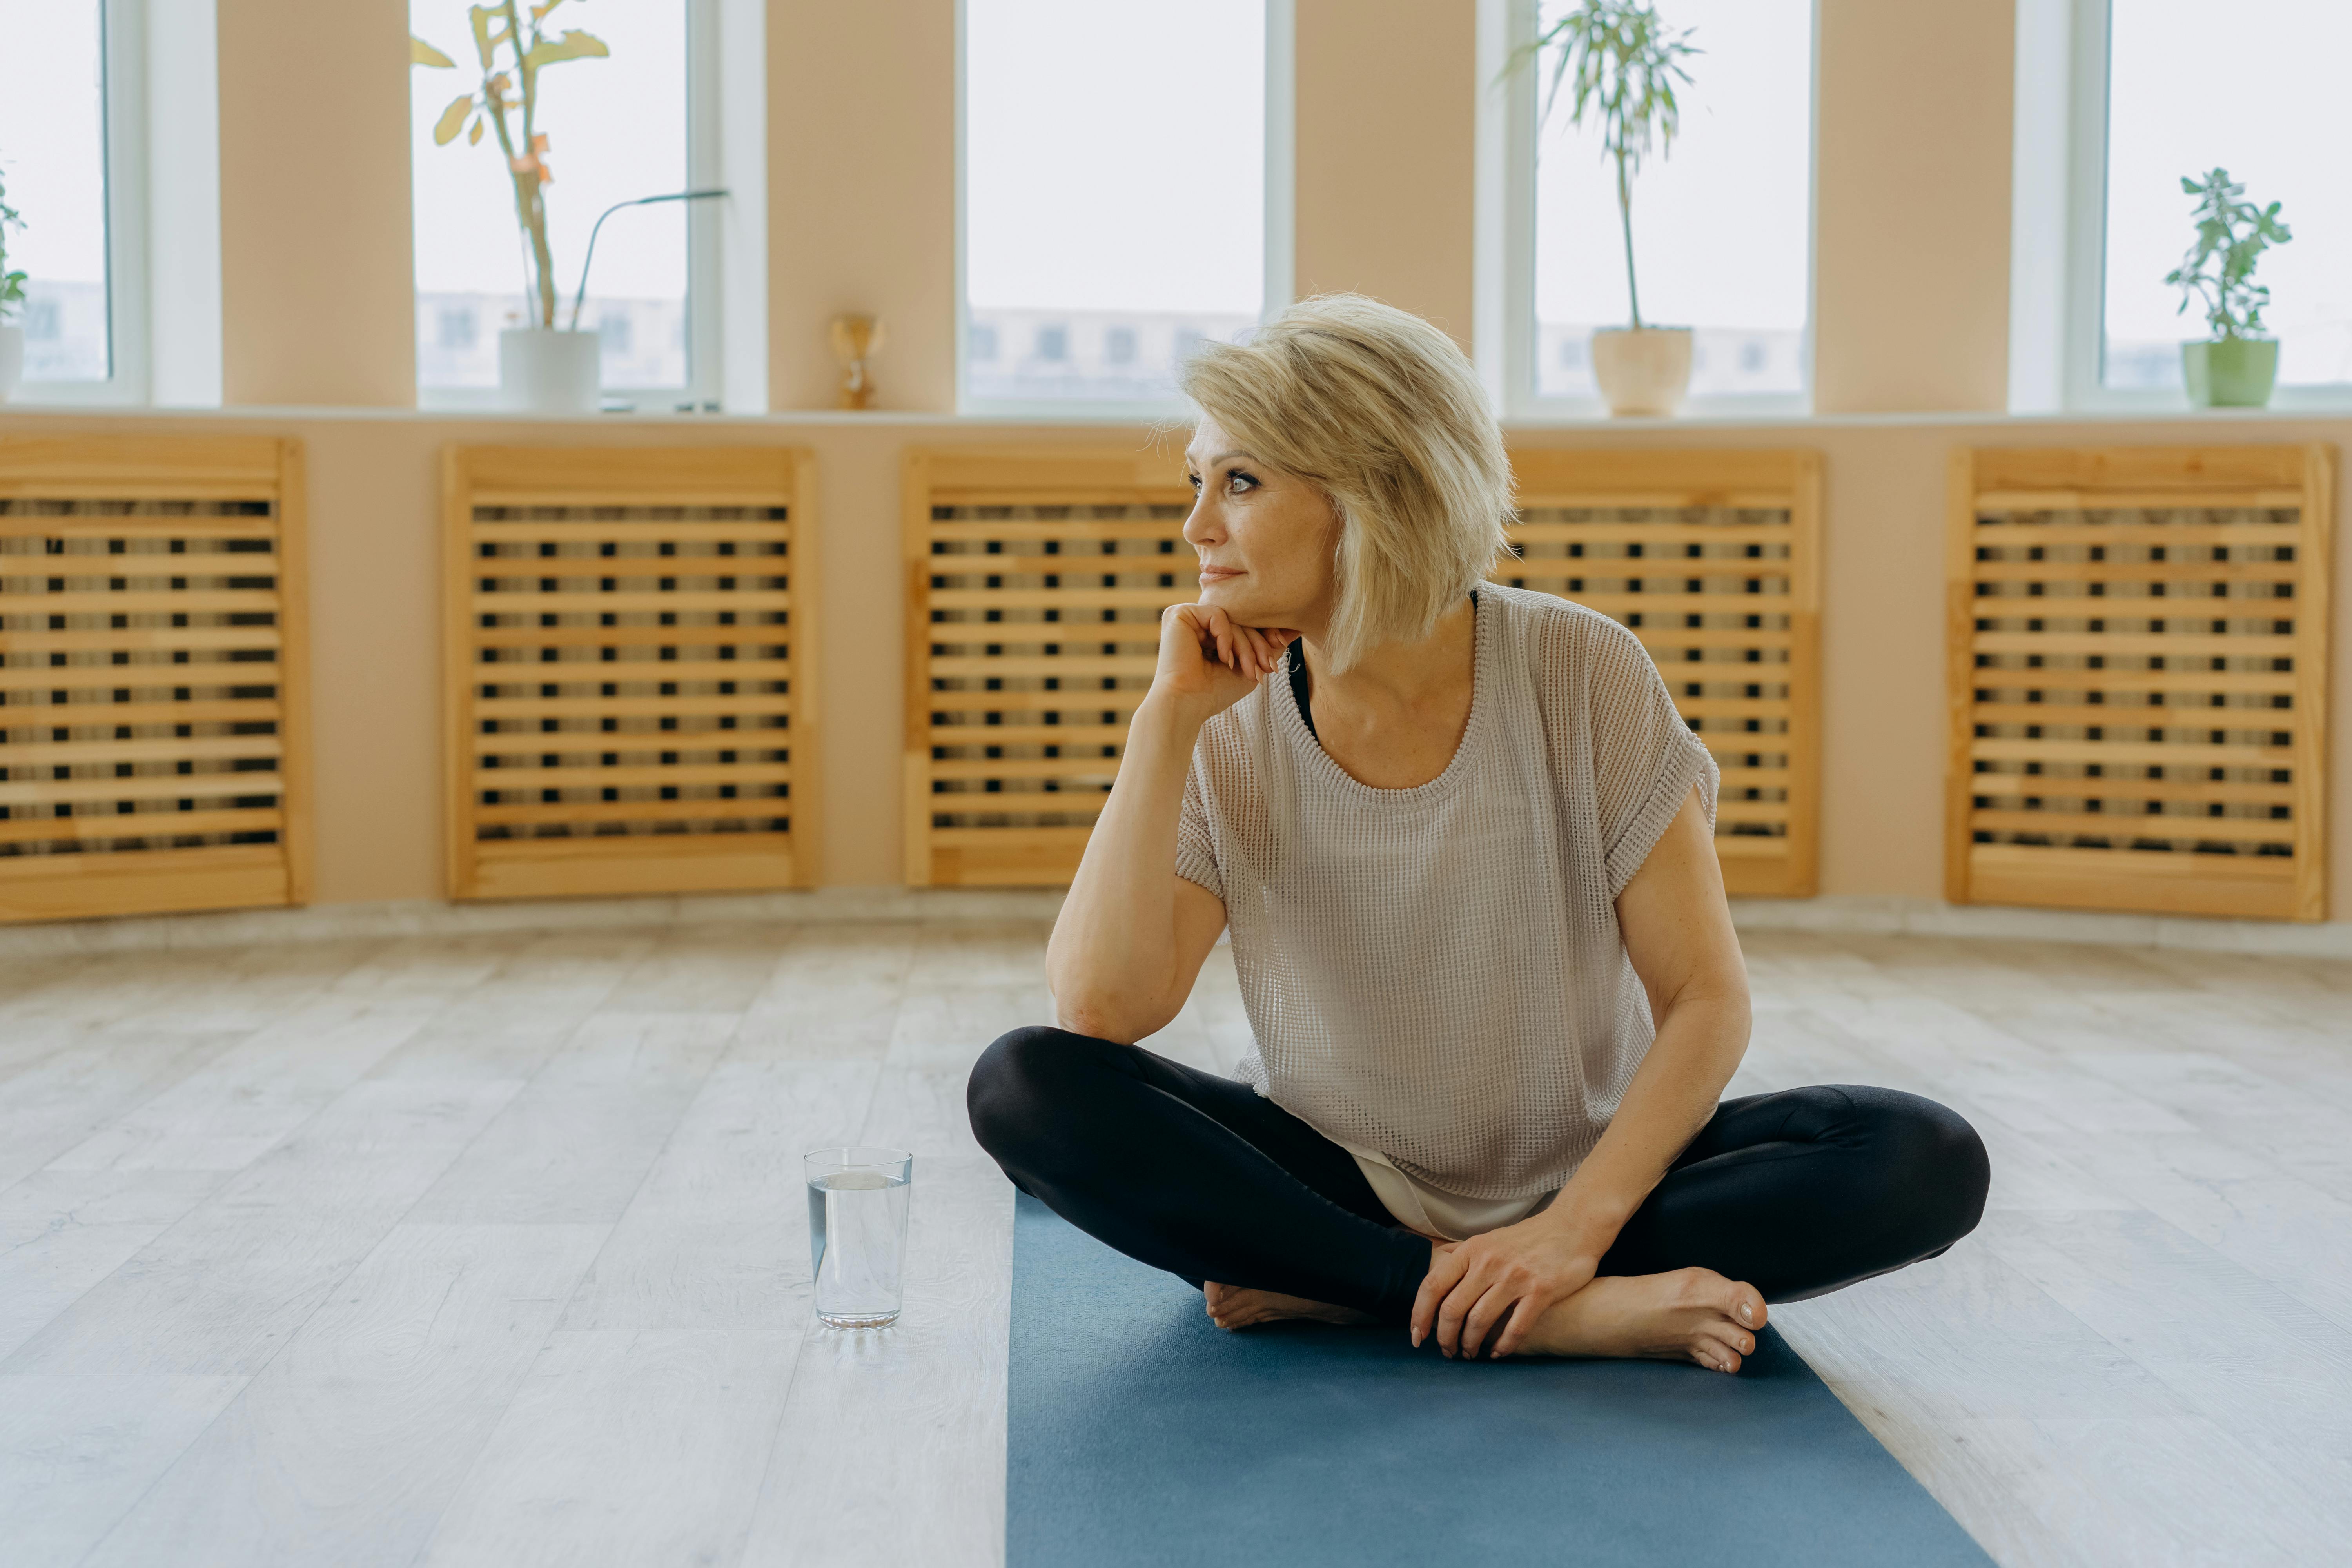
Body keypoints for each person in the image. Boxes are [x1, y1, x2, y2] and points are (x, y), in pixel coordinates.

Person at [965, 295, 1989, 1371]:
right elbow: (1100, 1009)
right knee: (1023, 1087)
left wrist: (1568, 1232)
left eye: (1241, 481)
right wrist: (1163, 724)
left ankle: (1360, 1287)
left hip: (1600, 1180)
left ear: (1371, 490)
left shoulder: (1586, 673)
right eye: (1198, 482)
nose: (1197, 527)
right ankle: (1518, 1310)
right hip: (1344, 1179)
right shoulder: (1223, 722)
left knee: (1922, 1158)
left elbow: (1704, 1001)